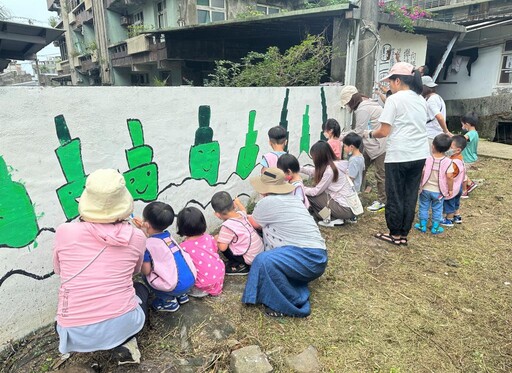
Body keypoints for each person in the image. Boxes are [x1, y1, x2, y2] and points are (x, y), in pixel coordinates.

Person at [53, 169, 148, 365]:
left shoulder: (64, 232)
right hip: (123, 324)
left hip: (73, 330)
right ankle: (126, 342)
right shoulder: (137, 236)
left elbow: (60, 271)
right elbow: (135, 271)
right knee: (141, 289)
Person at [241, 167, 328, 317]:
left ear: (265, 189)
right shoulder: (293, 199)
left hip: (306, 257)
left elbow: (254, 223)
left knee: (263, 260)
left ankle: (290, 301)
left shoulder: (267, 202)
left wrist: (240, 214)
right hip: (318, 258)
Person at [364, 62, 429, 246]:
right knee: (409, 194)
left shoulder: (395, 99)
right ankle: (403, 234)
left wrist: (369, 133)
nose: (390, 86)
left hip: (399, 154)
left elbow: (383, 131)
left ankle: (394, 234)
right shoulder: (420, 99)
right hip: (419, 154)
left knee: (395, 194)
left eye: (391, 82)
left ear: (398, 81)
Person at [136, 202, 196, 313]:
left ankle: (168, 302)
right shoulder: (168, 237)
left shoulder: (146, 245)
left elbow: (146, 270)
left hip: (176, 286)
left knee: (146, 277)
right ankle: (182, 296)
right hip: (191, 279)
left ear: (147, 224)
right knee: (175, 264)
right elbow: (154, 240)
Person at [341, 85, 387, 212]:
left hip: (379, 144)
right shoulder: (367, 102)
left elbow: (358, 132)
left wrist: (341, 136)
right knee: (360, 169)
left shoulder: (363, 109)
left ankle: (383, 201)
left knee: (380, 174)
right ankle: (355, 194)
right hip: (372, 144)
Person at [301, 141, 357, 227]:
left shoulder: (330, 171)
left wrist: (301, 187)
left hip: (344, 209)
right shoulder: (336, 164)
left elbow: (316, 192)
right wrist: (300, 168)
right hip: (351, 206)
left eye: (313, 157)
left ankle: (329, 218)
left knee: (311, 196)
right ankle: (336, 217)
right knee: (314, 192)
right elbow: (315, 172)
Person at [176, 207, 225, 297]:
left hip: (204, 283)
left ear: (181, 227)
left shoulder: (183, 248)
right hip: (219, 274)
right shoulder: (208, 237)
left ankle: (202, 291)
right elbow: (214, 251)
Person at [211, 191, 264, 274]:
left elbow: (222, 248)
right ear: (234, 205)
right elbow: (244, 210)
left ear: (217, 215)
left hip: (250, 258)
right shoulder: (241, 214)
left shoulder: (227, 226)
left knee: (221, 241)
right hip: (260, 250)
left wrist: (216, 239)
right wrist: (238, 202)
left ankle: (240, 265)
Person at [414, 134, 454, 234]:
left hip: (425, 188)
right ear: (448, 148)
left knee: (423, 206)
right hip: (439, 191)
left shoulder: (427, 159)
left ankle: (422, 225)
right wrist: (450, 189)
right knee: (437, 209)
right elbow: (450, 177)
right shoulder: (448, 162)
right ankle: (435, 227)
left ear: (433, 146)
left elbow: (422, 172)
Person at [441, 135, 467, 226]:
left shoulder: (453, 162)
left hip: (453, 187)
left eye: (450, 147)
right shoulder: (460, 159)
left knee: (449, 203)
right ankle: (457, 216)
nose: (448, 149)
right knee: (456, 202)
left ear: (458, 150)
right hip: (458, 186)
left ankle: (449, 219)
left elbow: (450, 176)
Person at [422, 75, 451, 146]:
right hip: (435, 134)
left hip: (431, 135)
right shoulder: (437, 97)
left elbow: (439, 117)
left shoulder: (431, 100)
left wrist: (446, 131)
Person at [460, 112, 479, 198]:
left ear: (467, 124)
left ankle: (465, 190)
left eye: (463, 125)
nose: (462, 127)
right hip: (471, 157)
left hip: (467, 158)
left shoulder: (469, 134)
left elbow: (461, 140)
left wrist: (451, 138)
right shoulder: (475, 133)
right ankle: (469, 184)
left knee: (461, 174)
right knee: (462, 172)